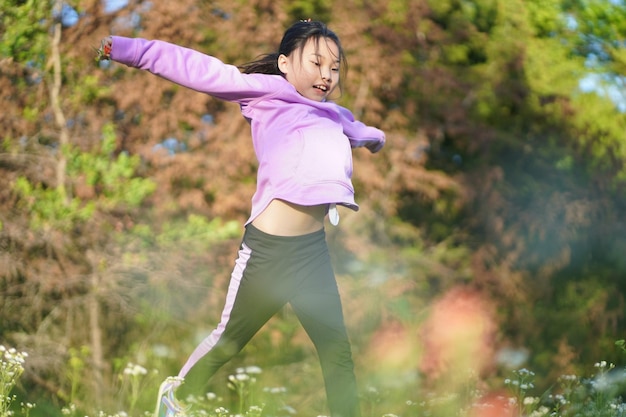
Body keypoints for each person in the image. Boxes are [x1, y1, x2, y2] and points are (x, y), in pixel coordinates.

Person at [96, 19, 385, 417]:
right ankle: (175, 396)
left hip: (311, 255)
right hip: (267, 254)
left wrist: (374, 139)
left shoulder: (334, 115)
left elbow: (359, 130)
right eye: (317, 63)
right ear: (284, 63)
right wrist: (126, 49)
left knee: (337, 351)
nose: (326, 75)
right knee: (229, 340)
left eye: (334, 68)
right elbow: (195, 68)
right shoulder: (267, 93)